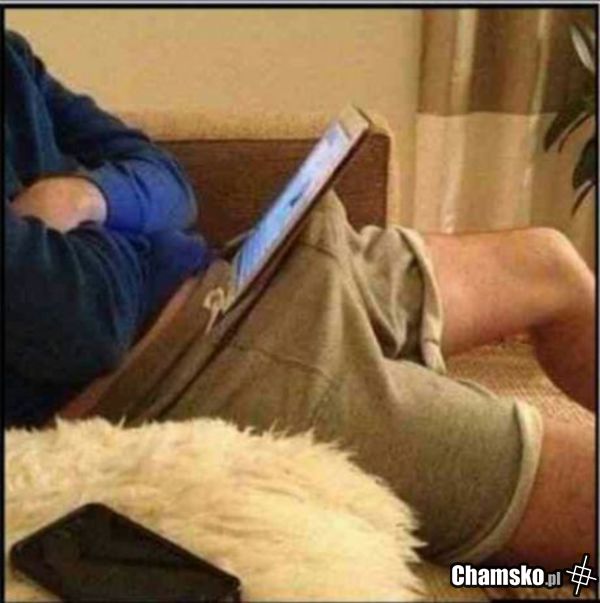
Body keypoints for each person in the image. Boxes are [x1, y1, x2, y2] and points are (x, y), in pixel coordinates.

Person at [5, 31, 596, 571]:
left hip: (241, 278)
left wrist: (85, 196)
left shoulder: (11, 56)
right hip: (189, 377)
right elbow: (88, 324)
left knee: (548, 263)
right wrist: (126, 231)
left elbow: (170, 182)